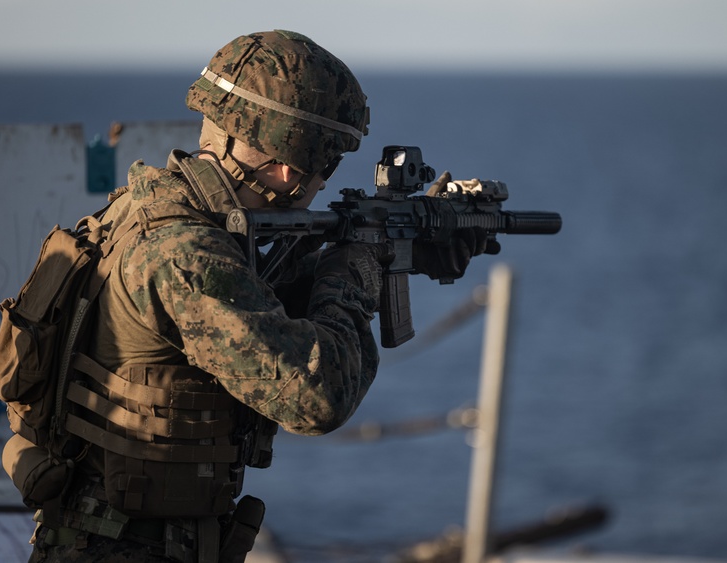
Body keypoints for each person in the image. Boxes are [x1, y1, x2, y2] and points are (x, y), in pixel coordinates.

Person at [26, 30, 484, 563]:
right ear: (290, 167)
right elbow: (316, 396)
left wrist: (397, 255)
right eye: (329, 164)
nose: (322, 185)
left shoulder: (148, 213)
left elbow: (253, 311)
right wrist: (354, 277)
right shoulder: (186, 254)